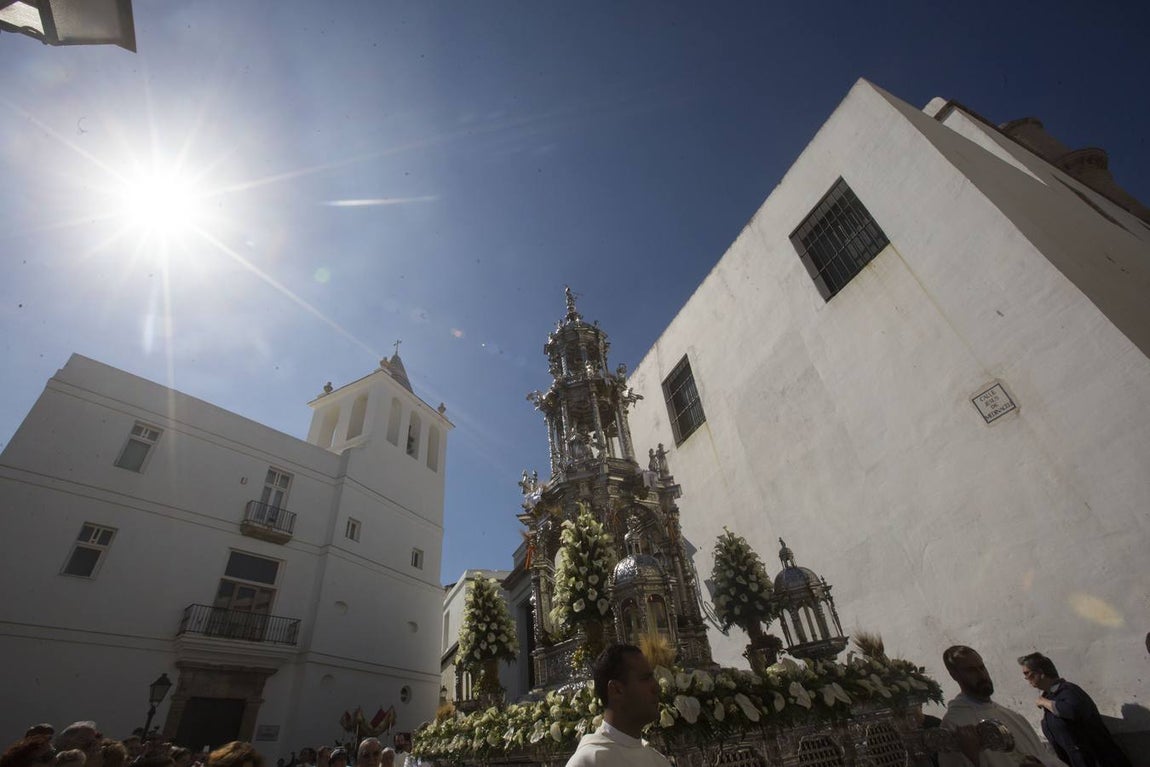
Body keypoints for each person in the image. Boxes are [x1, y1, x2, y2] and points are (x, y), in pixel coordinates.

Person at [938, 646, 1064, 767]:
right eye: (971, 670)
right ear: (955, 675)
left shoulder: (1012, 716)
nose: (981, 675)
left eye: (982, 667)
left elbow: (1045, 756)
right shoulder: (955, 724)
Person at [1018, 653, 1132, 767]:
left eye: (1027, 673)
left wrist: (1044, 702)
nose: (1026, 678)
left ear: (1040, 672)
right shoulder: (1050, 697)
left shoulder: (1068, 691)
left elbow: (1071, 710)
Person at [565, 643, 670, 767]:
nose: (657, 688)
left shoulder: (658, 761)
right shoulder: (589, 761)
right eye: (645, 678)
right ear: (616, 690)